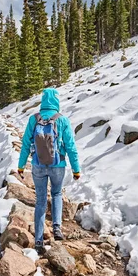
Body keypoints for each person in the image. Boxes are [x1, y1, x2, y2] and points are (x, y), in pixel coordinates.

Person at [17, 87, 80, 254]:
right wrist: (76, 169)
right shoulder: (62, 120)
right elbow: (71, 147)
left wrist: (21, 166)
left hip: (38, 165)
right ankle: (57, 228)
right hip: (57, 165)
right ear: (56, 101)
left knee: (40, 201)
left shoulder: (34, 119)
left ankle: (38, 240)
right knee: (57, 194)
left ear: (43, 100)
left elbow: (25, 145)